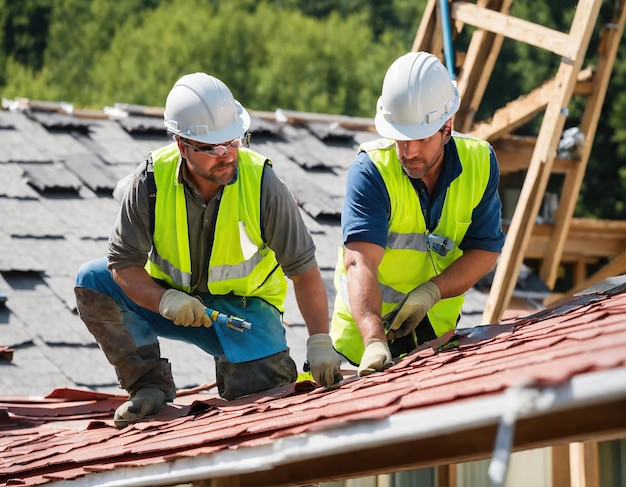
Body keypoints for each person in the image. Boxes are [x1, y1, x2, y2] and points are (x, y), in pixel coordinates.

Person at [75, 72, 342, 427]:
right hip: (173, 303)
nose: (227, 154)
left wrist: (320, 340)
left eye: (233, 141)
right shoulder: (150, 182)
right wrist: (163, 300)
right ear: (182, 145)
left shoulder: (263, 184)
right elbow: (122, 265)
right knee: (92, 281)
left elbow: (304, 270)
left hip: (246, 316)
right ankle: (148, 386)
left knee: (265, 410)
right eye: (213, 147)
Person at [330, 52, 506, 377]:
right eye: (399, 137)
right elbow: (360, 261)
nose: (408, 151)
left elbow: (485, 249)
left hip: (435, 343)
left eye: (420, 138)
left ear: (447, 126)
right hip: (361, 349)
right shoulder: (371, 171)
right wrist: (374, 339)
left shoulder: (480, 162)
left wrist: (433, 291)